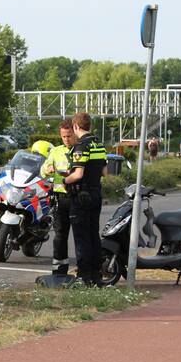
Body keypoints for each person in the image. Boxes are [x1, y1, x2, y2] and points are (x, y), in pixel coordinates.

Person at [64, 112, 108, 287]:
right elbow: (105, 172)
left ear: (75, 127)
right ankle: (96, 275)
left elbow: (78, 174)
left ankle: (83, 277)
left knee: (81, 238)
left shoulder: (82, 146)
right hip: (96, 194)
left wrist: (62, 180)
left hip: (81, 196)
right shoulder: (99, 145)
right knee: (93, 235)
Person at [41, 118, 76, 276]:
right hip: (60, 197)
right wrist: (47, 169)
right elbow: (43, 170)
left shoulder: (81, 149)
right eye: (63, 136)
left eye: (69, 136)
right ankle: (59, 270)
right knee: (60, 234)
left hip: (77, 197)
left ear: (75, 133)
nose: (66, 139)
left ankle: (84, 270)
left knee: (80, 234)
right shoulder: (56, 151)